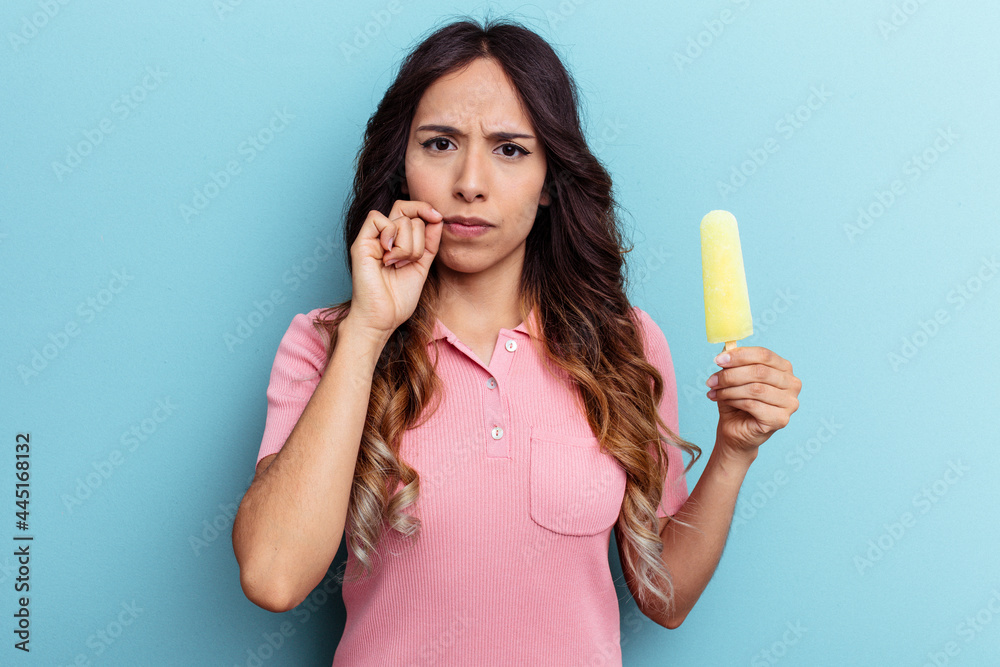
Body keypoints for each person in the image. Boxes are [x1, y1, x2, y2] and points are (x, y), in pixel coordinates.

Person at [232, 14, 801, 666]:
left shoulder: (626, 344)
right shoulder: (326, 342)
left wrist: (733, 450)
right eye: (440, 143)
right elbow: (272, 577)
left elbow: (663, 594)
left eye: (510, 150)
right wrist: (368, 330)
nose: (470, 182)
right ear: (402, 168)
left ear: (551, 180)